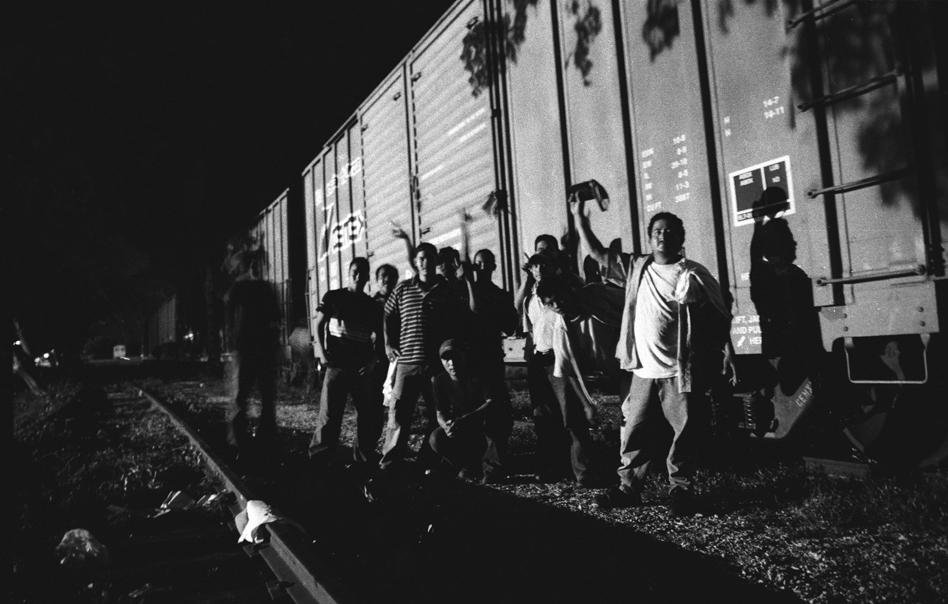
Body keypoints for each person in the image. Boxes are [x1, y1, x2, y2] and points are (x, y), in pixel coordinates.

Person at [572, 197, 736, 516]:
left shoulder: (692, 273)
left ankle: (681, 492)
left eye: (670, 231)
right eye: (658, 231)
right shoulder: (636, 268)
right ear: (650, 238)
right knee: (635, 431)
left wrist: (726, 351)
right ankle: (628, 488)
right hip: (644, 371)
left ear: (681, 238)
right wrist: (580, 219)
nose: (663, 235)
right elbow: (598, 254)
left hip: (678, 370)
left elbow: (719, 315)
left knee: (683, 433)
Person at [380, 242, 463, 470]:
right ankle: (389, 463)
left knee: (436, 414)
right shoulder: (403, 289)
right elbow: (388, 314)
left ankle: (427, 463)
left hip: (435, 366)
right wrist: (388, 344)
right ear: (415, 263)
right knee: (398, 416)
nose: (425, 262)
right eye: (421, 259)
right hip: (407, 363)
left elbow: (456, 322)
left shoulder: (446, 290)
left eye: (429, 258)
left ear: (435, 261)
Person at [517, 251, 595, 485]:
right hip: (540, 361)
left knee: (572, 416)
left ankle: (584, 472)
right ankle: (554, 468)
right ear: (530, 270)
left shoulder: (564, 291)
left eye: (544, 263)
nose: (539, 268)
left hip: (560, 357)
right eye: (534, 265)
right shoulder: (530, 298)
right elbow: (530, 330)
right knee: (545, 418)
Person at [308, 257, 385, 468]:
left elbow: (380, 338)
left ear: (368, 276)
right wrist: (321, 353)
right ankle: (321, 459)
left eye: (363, 272)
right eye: (355, 271)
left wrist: (373, 362)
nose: (358, 276)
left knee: (367, 418)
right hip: (337, 366)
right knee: (329, 416)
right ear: (348, 273)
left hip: (361, 370)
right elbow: (319, 325)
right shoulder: (334, 297)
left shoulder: (372, 306)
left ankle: (362, 461)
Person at [224, 250, 282, 455]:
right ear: (249, 268)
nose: (256, 268)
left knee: (264, 396)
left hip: (259, 348)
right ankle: (239, 440)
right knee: (244, 395)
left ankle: (261, 438)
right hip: (247, 348)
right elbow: (229, 304)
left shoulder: (263, 288)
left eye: (259, 265)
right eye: (253, 265)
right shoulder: (243, 287)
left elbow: (276, 317)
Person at [429, 339, 502, 482]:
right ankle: (468, 465)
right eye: (446, 359)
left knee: (497, 423)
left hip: (484, 421)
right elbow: (440, 413)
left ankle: (491, 469)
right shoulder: (440, 381)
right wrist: (446, 426)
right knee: (435, 438)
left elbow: (493, 403)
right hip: (463, 426)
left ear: (464, 356)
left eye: (456, 357)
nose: (452, 363)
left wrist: (466, 420)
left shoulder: (481, 374)